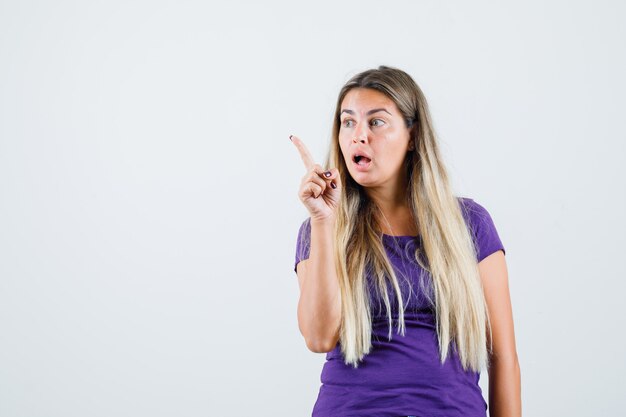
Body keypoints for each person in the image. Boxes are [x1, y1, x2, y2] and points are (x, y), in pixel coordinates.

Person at [290, 65, 521, 417]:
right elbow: (319, 338)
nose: (358, 135)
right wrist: (324, 222)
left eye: (376, 122)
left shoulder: (469, 224)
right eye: (348, 122)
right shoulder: (321, 230)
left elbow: (503, 356)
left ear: (412, 135)